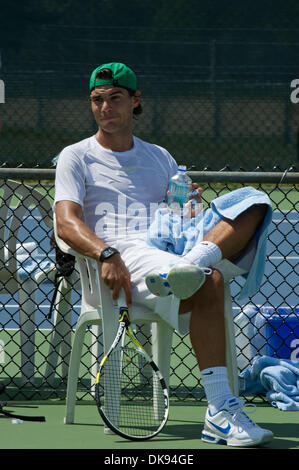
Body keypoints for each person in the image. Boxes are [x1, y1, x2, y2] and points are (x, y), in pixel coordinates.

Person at [54, 62, 274, 447]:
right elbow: (66, 223)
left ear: (135, 101)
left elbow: (175, 214)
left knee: (255, 202)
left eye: (115, 99)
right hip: (122, 257)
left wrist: (188, 210)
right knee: (211, 282)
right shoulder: (76, 156)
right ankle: (221, 409)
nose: (105, 108)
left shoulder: (159, 156)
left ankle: (197, 262)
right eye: (97, 100)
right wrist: (105, 253)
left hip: (171, 248)